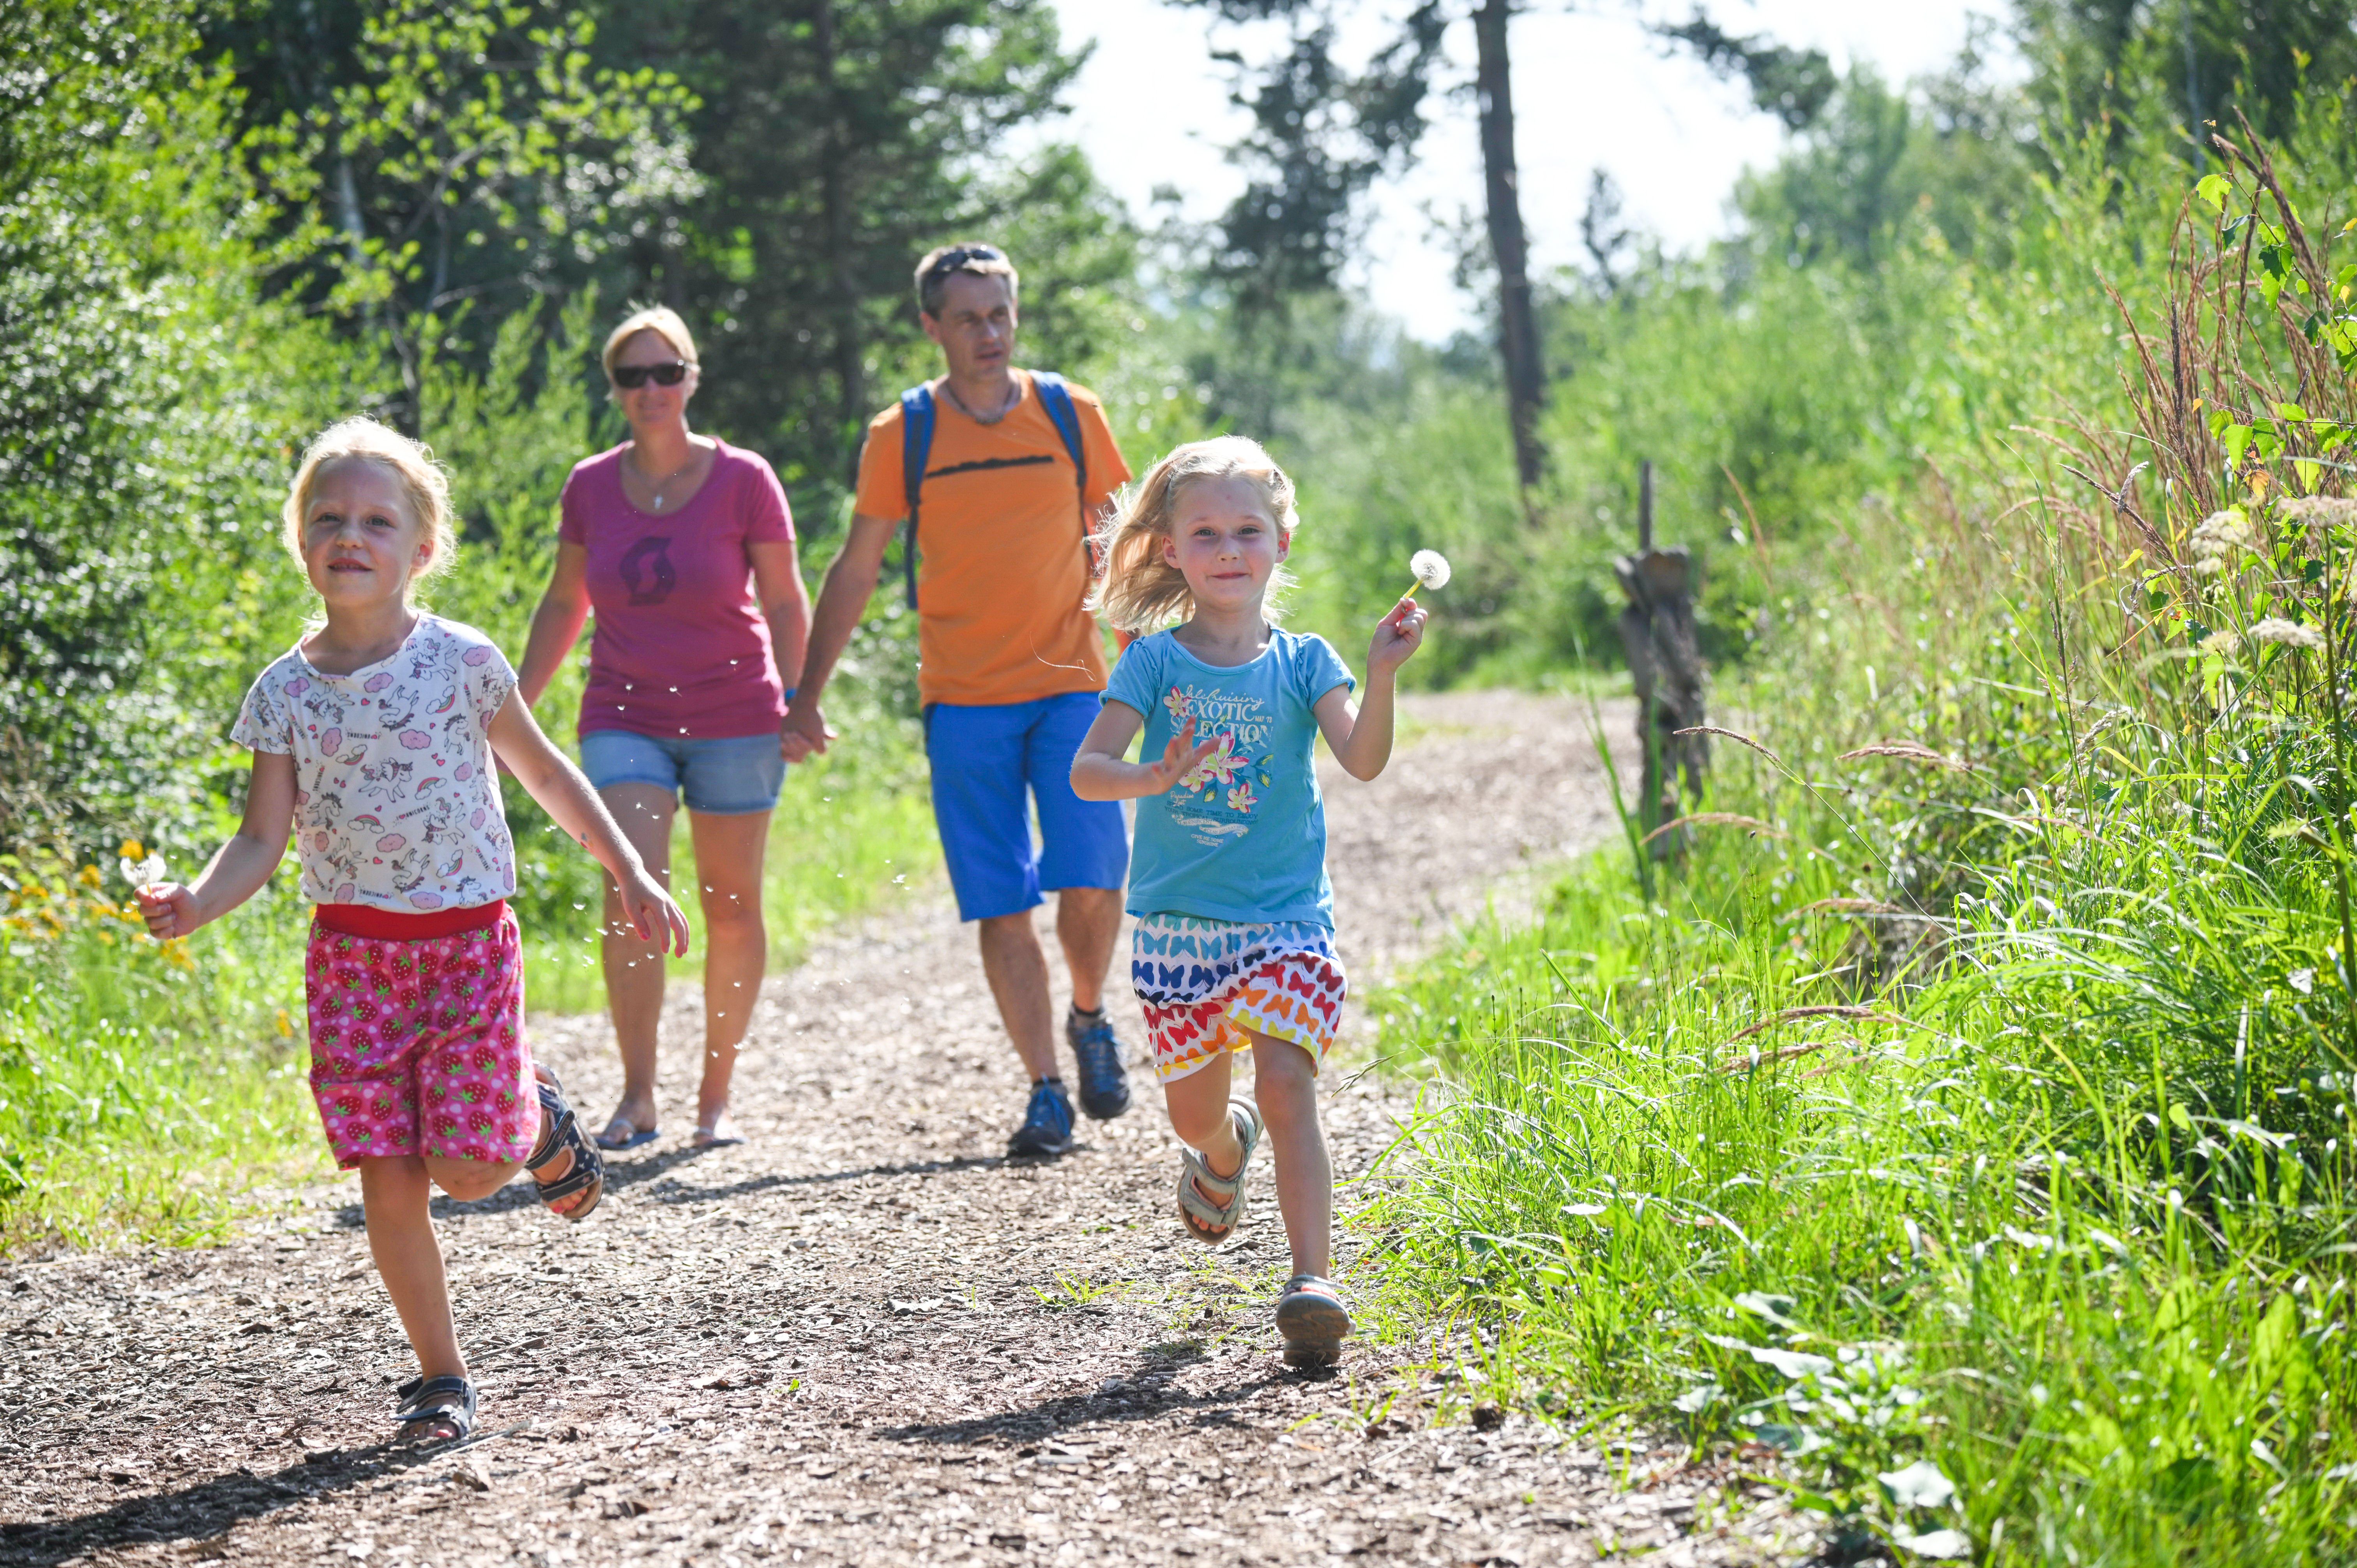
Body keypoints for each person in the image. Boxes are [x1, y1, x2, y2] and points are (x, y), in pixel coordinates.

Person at [136, 417, 691, 1443]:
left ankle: (530, 1115)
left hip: (468, 949)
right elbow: (261, 839)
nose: (351, 535)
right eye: (329, 518)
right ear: (301, 541)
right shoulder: (284, 693)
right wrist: (197, 903)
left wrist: (630, 867)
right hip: (352, 966)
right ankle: (442, 1379)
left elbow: (546, 775)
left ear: (422, 550)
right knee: (390, 1179)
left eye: (377, 521)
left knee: (473, 1166)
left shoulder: (462, 663)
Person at [1069, 436, 1427, 1367]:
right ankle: (1222, 1152)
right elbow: (1087, 772)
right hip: (1180, 928)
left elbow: (1363, 759)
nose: (1229, 549)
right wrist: (1152, 774)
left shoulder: (1309, 661)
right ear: (1172, 550)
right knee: (1196, 1114)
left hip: (1285, 919)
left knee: (1287, 1080)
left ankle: (1313, 1281)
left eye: (1247, 530)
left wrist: (1382, 675)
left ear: (1282, 540)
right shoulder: (1152, 663)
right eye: (1206, 533)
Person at [781, 243, 1135, 1157]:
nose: (989, 332)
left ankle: (1090, 1015)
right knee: (1002, 901)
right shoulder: (904, 434)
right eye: (968, 317)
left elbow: (1126, 545)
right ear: (931, 327)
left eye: (1001, 314)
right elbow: (857, 565)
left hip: (1073, 688)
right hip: (964, 701)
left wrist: (1153, 670)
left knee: (1095, 878)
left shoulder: (1070, 413)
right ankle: (1044, 1089)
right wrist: (807, 692)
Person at [517, 306, 810, 1151]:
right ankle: (638, 1095)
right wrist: (513, 710)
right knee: (630, 882)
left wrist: (799, 696)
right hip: (625, 710)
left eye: (666, 371)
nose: (652, 389)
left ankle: (714, 1098)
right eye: (633, 376)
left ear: (691, 377)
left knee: (730, 904)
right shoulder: (589, 485)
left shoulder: (745, 478)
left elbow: (786, 598)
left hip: (736, 711)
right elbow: (565, 601)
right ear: (614, 389)